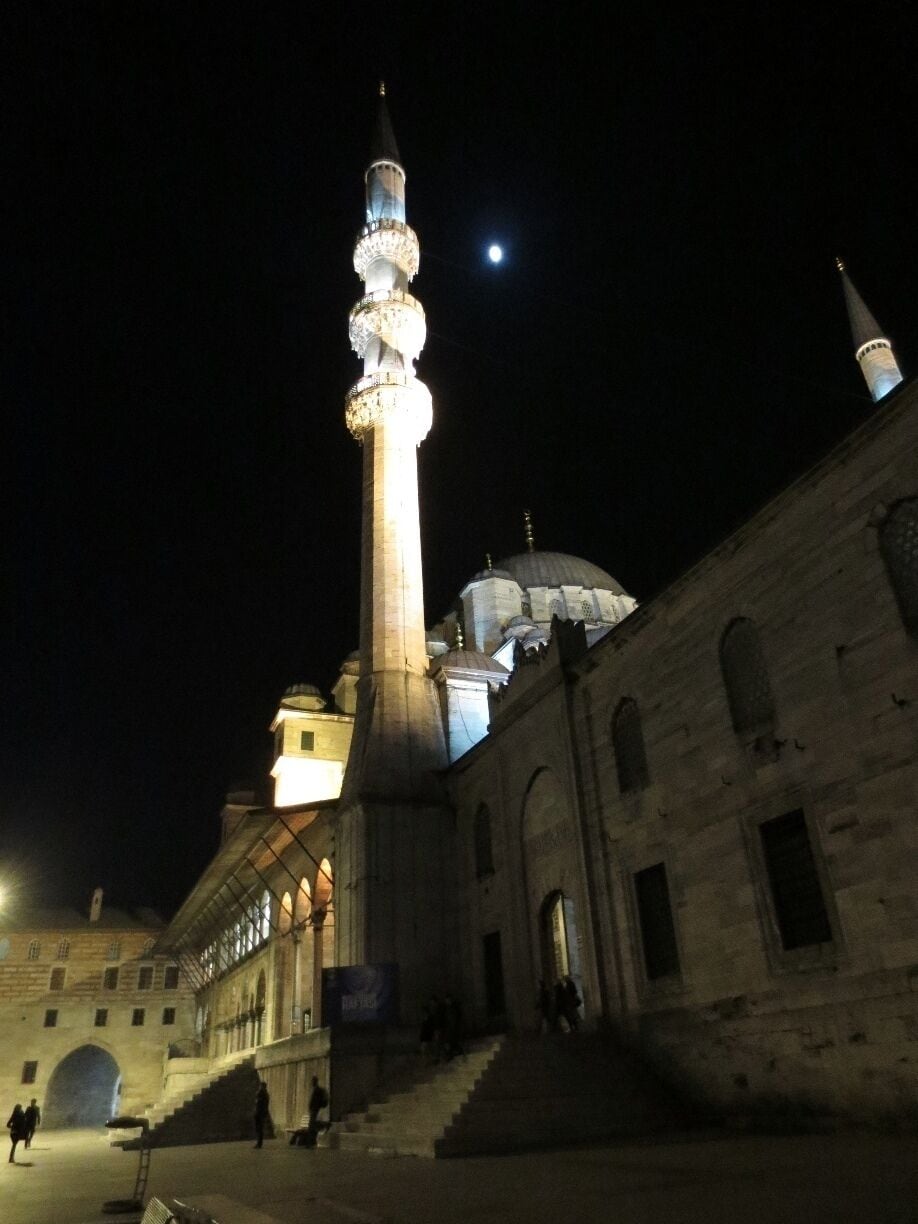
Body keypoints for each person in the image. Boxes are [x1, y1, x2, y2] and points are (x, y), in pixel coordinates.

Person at [443, 992, 464, 1060]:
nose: (447, 1002)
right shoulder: (447, 1009)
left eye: (448, 1000)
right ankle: (450, 1053)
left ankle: (453, 1053)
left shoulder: (453, 1008)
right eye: (446, 1000)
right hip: (450, 1027)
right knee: (448, 1042)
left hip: (454, 1028)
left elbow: (455, 1018)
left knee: (451, 1041)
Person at [253, 1080, 270, 1149]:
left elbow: (259, 1103)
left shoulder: (262, 1094)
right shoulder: (264, 1094)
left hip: (260, 1113)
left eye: (261, 1086)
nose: (260, 1087)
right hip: (259, 1113)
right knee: (258, 1129)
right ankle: (259, 1143)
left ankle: (259, 1143)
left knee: (259, 1129)